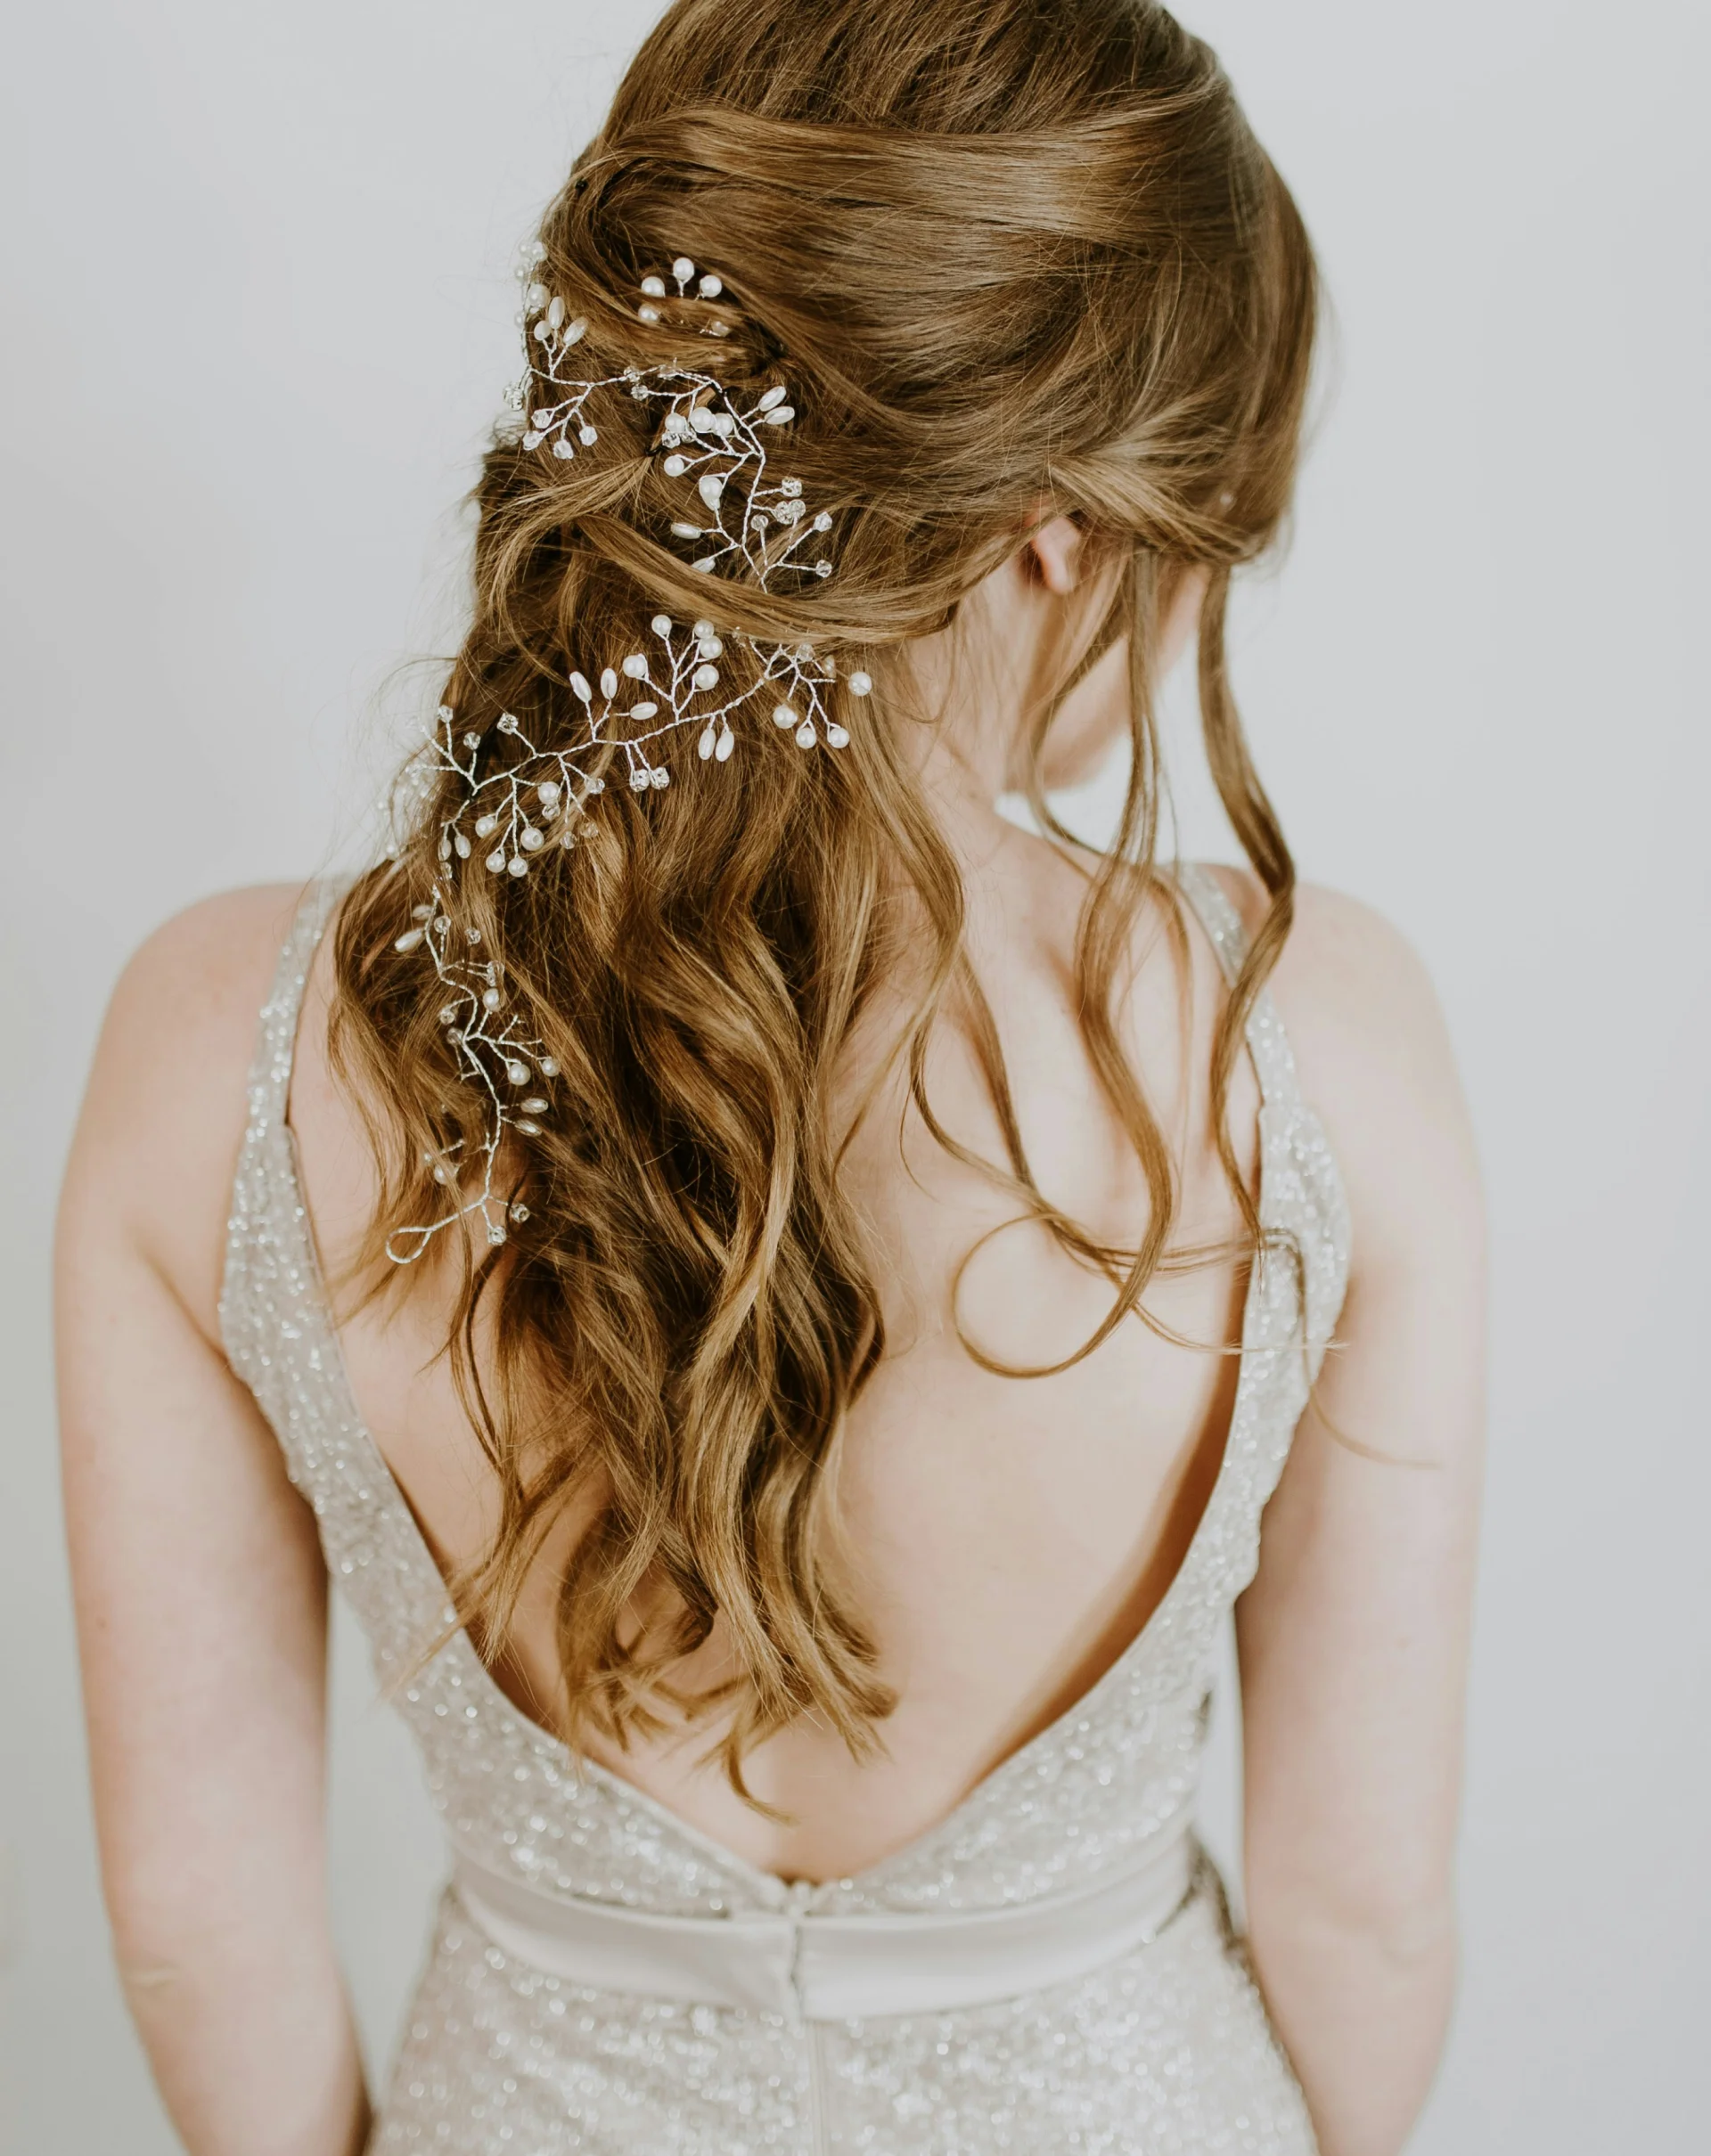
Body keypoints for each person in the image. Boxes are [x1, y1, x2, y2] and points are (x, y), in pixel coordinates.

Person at [55, 3, 1485, 2151]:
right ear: (1057, 533)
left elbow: (195, 1929)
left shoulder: (214, 1048)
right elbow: (1362, 1910)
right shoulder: (1321, 1040)